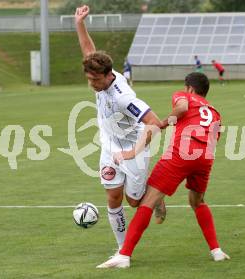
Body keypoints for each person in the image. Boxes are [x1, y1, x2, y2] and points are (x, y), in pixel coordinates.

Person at [96, 72, 230, 268]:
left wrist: (163, 124)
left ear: (190, 88)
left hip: (182, 152)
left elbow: (182, 108)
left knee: (148, 201)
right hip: (206, 157)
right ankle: (216, 251)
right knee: (198, 201)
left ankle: (124, 255)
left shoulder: (184, 95)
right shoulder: (215, 111)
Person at [74, 5, 166, 255]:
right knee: (113, 199)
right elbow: (88, 51)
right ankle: (122, 249)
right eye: (89, 79)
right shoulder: (100, 74)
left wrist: (132, 152)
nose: (91, 84)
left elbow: (154, 124)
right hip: (110, 148)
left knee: (134, 201)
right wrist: (79, 23)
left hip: (133, 149)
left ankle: (156, 196)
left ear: (107, 75)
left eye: (95, 80)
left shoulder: (124, 98)